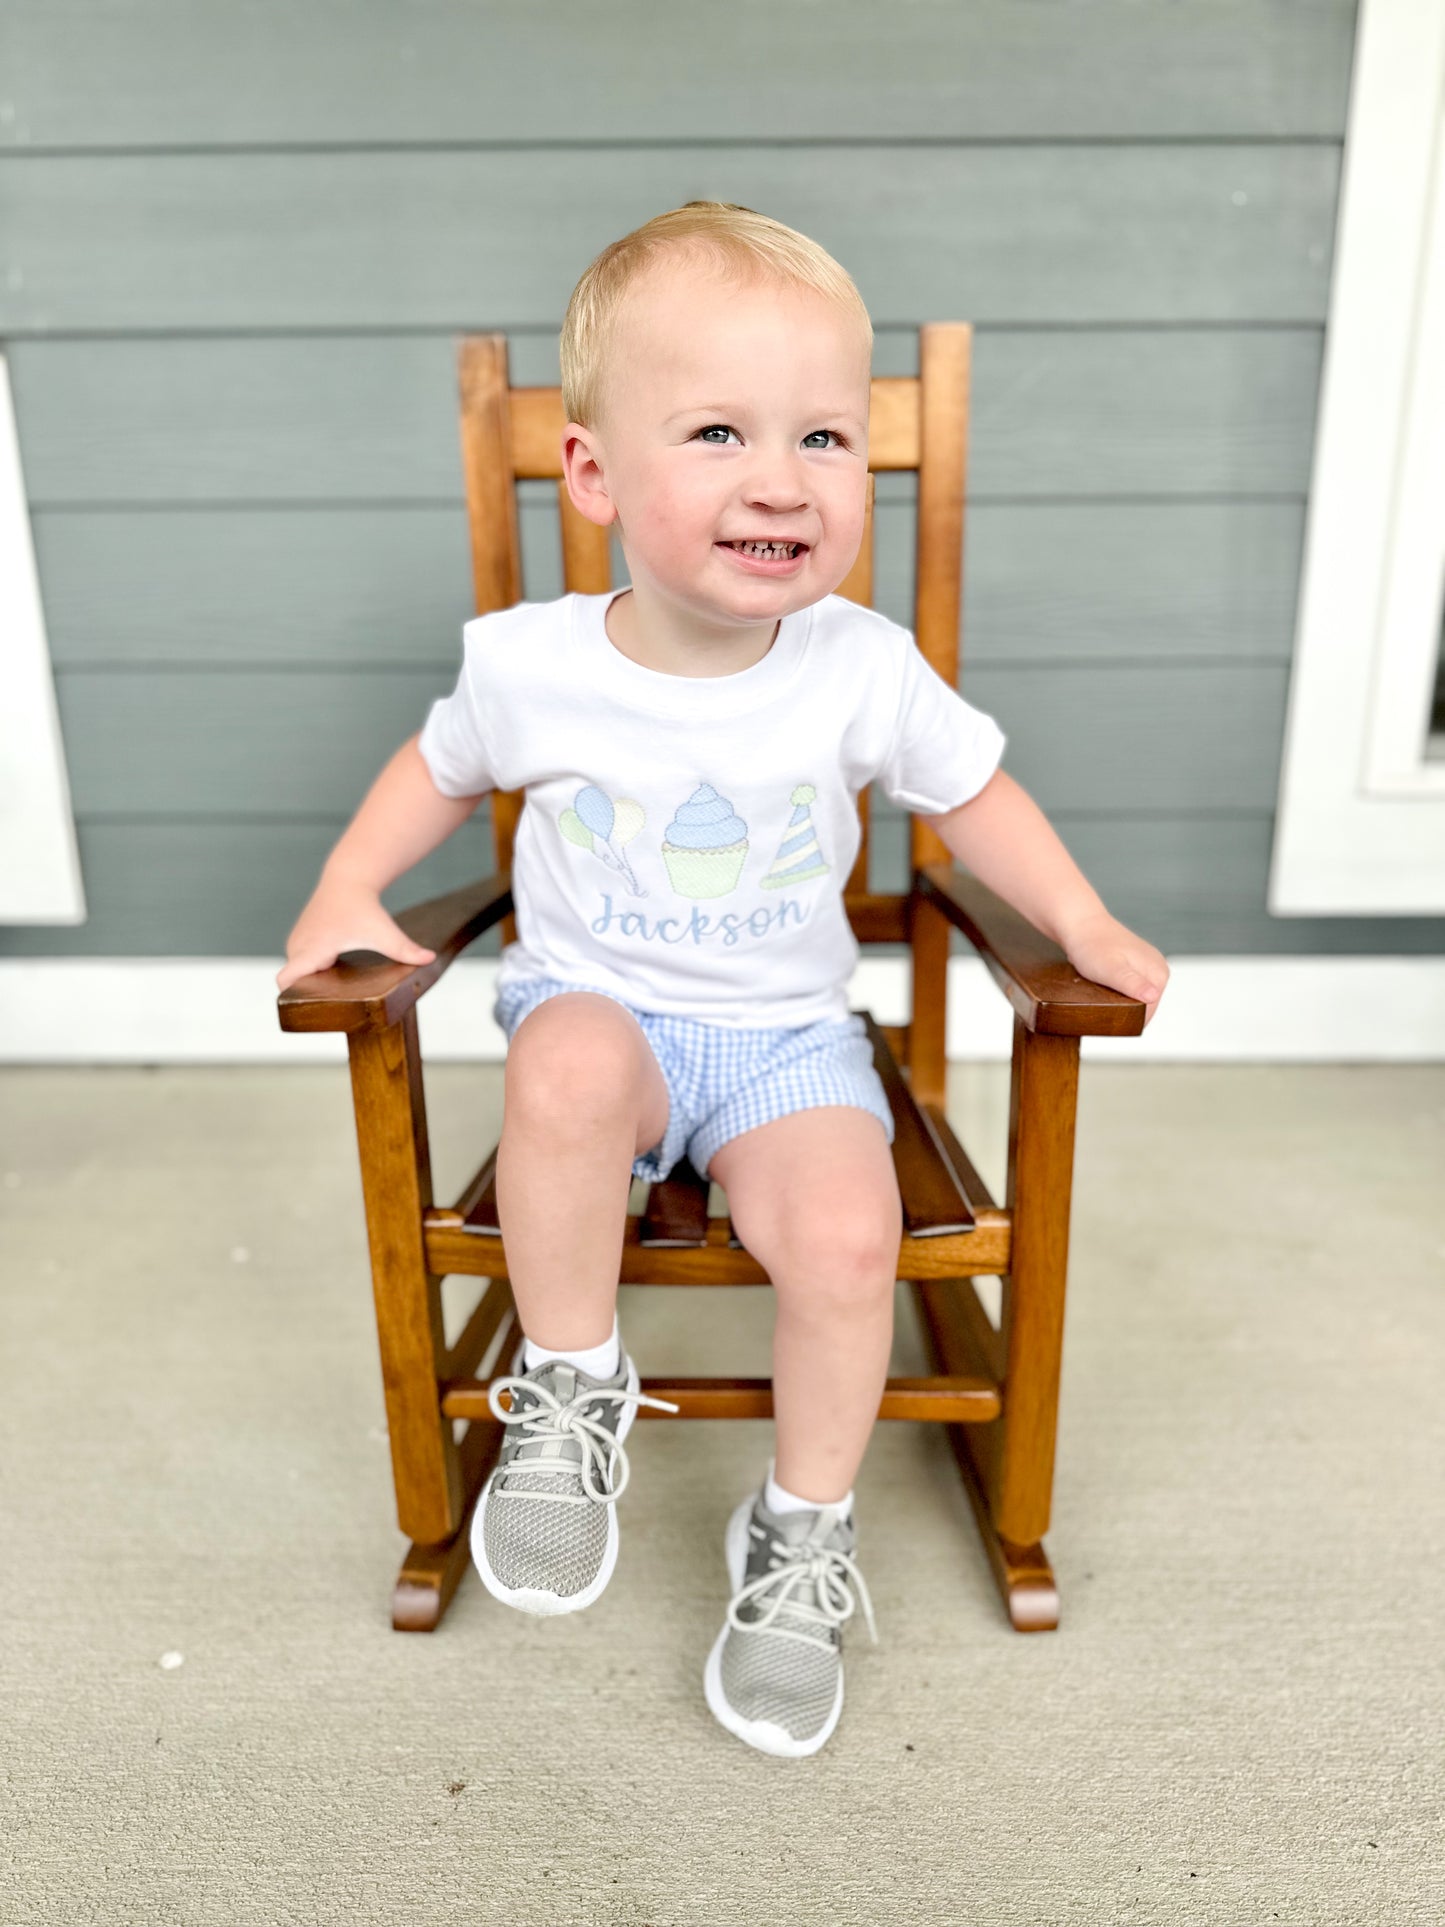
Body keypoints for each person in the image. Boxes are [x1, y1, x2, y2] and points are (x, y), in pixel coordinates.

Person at [277, 201, 1169, 1759]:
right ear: (596, 477)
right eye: (717, 431)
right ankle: (571, 1381)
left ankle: (798, 1539)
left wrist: (1081, 922)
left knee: (844, 1233)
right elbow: (430, 774)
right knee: (559, 1065)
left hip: (784, 1045)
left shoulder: (861, 665)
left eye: (824, 436)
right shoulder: (528, 662)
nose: (782, 479)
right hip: (600, 1023)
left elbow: (972, 800)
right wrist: (348, 885)